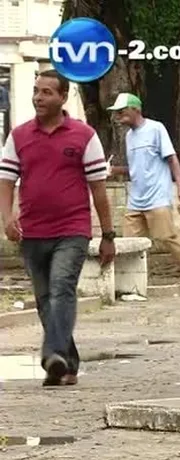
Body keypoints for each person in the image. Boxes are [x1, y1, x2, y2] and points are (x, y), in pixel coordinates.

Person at [0, 70, 116, 386]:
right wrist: (7, 217)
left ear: (63, 97)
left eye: (47, 92)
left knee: (62, 287)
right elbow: (7, 180)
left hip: (72, 229)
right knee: (44, 299)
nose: (38, 97)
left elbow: (99, 191)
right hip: (33, 232)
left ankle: (52, 352)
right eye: (36, 91)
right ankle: (66, 362)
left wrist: (108, 235)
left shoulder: (84, 136)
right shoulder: (19, 136)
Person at [107, 92, 180, 293]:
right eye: (117, 112)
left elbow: (172, 159)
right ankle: (130, 287)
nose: (118, 115)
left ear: (136, 109)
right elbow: (136, 168)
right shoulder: (129, 137)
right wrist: (114, 171)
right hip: (136, 198)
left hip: (157, 196)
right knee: (129, 244)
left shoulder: (155, 128)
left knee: (167, 236)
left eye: (122, 111)